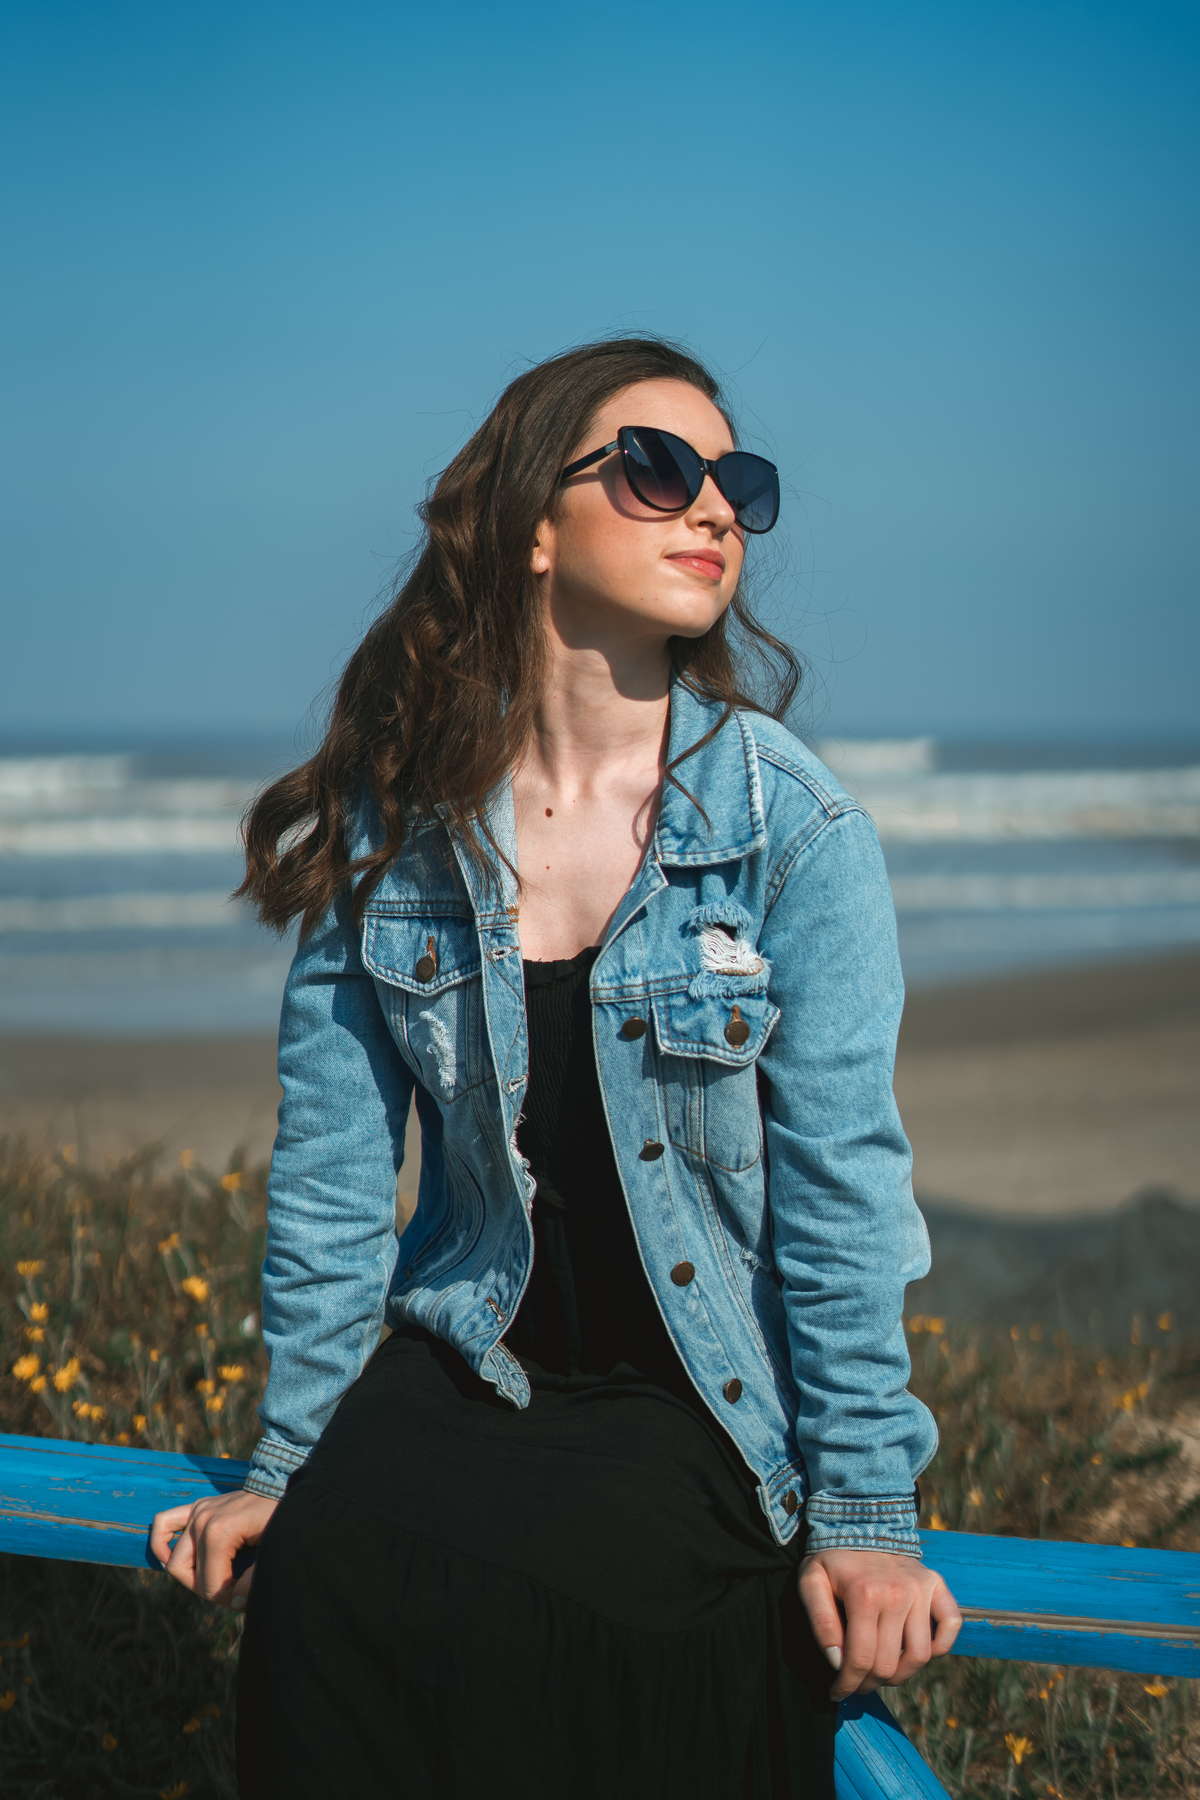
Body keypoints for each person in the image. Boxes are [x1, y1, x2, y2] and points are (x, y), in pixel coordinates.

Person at [151, 336, 961, 1799]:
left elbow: (844, 1197)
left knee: (625, 1624)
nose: (712, 508)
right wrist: (286, 1464)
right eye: (658, 468)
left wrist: (864, 1520)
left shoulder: (795, 834)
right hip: (472, 1361)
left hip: (701, 1401)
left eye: (738, 484)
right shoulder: (398, 832)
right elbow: (334, 1179)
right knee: (331, 1585)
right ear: (534, 522)